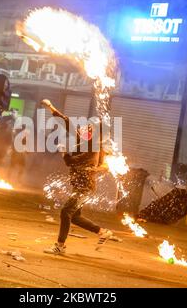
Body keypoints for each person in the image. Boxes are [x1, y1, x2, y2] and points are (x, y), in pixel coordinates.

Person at [40, 99, 114, 255]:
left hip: (84, 186)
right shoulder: (85, 140)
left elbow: (71, 162)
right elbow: (66, 122)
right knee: (74, 216)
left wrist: (64, 153)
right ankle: (102, 232)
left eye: (90, 127)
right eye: (87, 126)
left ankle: (60, 246)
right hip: (82, 184)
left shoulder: (93, 146)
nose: (85, 128)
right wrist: (51, 107)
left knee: (65, 212)